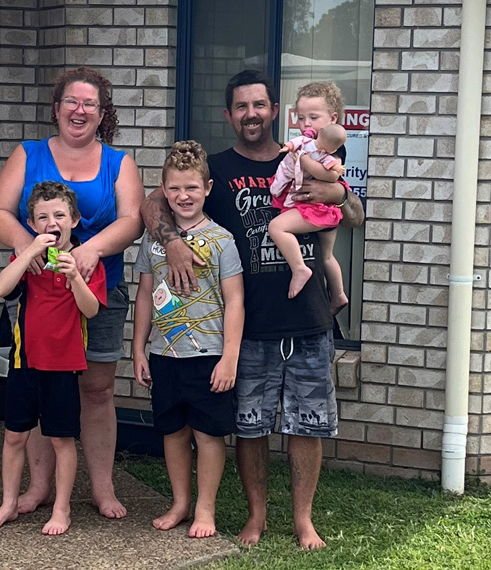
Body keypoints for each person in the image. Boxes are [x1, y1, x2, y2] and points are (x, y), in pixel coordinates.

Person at [140, 69, 364, 550]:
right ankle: (257, 517)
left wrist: (341, 194)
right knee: (251, 426)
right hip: (250, 326)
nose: (251, 114)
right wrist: (173, 242)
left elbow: (356, 215)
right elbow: (154, 201)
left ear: (275, 110)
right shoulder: (216, 170)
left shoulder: (302, 157)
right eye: (241, 107)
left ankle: (304, 521)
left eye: (259, 105)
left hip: (308, 318)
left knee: (308, 425)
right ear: (229, 115)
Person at [0, 66, 144, 519]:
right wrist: (23, 244)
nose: (79, 110)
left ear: (101, 113)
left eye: (89, 104)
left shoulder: (119, 162)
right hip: (39, 292)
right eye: (71, 102)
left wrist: (91, 250)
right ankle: (37, 488)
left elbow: (132, 220)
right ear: (56, 110)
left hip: (98, 289)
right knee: (38, 384)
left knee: (96, 389)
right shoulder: (29, 154)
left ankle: (102, 488)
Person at [132, 140, 244, 538]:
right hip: (164, 353)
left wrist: (229, 357)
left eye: (192, 188)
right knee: (173, 431)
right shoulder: (153, 239)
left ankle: (204, 508)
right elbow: (145, 294)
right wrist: (138, 348)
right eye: (175, 188)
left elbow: (234, 301)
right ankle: (179, 501)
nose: (183, 196)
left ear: (207, 189)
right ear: (163, 190)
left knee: (207, 433)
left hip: (209, 355)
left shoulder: (223, 241)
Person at [0, 181, 107, 535]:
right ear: (32, 224)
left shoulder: (83, 261)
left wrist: (74, 278)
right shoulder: (29, 260)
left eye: (59, 215)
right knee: (14, 436)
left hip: (64, 365)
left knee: (61, 439)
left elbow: (92, 310)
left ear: (75, 220)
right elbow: (0, 289)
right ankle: (8, 503)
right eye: (42, 217)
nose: (51, 222)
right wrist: (27, 253)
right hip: (25, 362)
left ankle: (62, 508)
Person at [269, 82, 350, 312]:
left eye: (313, 117)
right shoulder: (308, 144)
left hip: (320, 210)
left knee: (278, 228)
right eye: (301, 118)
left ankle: (299, 268)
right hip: (322, 210)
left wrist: (303, 160)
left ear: (332, 118)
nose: (306, 124)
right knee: (326, 257)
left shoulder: (333, 147)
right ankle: (339, 294)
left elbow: (329, 176)